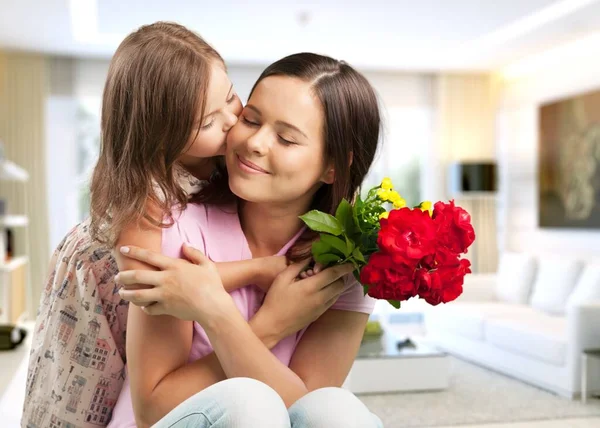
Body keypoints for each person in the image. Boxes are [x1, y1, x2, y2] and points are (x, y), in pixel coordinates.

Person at [21, 22, 289, 428]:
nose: (233, 120)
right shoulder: (142, 197)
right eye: (208, 123)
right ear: (160, 138)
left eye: (232, 96)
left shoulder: (215, 156)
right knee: (80, 406)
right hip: (94, 309)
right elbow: (162, 285)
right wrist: (257, 270)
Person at [113, 53, 384, 427]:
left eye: (286, 139)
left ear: (333, 166)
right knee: (249, 402)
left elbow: (305, 415)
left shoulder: (344, 264)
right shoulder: (174, 225)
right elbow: (152, 409)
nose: (255, 142)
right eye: (250, 119)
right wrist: (269, 324)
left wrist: (217, 311)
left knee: (338, 411)